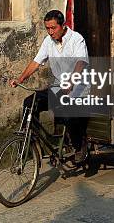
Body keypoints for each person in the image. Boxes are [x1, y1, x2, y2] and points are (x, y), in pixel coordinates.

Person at [9, 9, 89, 162]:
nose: (50, 32)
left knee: (68, 115)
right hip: (59, 86)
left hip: (79, 88)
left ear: (63, 26)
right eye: (47, 28)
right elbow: (36, 61)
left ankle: (80, 145)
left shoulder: (77, 39)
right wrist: (20, 79)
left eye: (53, 28)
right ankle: (29, 141)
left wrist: (71, 83)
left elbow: (80, 63)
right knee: (29, 103)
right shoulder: (48, 41)